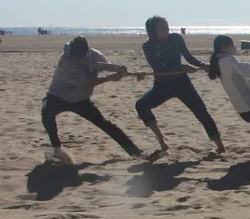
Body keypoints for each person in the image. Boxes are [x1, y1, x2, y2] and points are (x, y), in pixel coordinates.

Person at [42, 36, 149, 164]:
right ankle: (57, 149)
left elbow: (104, 66)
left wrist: (118, 68)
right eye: (77, 58)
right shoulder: (65, 61)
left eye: (83, 57)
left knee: (105, 124)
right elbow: (87, 83)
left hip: (81, 100)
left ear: (87, 52)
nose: (80, 60)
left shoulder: (94, 55)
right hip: (58, 97)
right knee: (46, 114)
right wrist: (110, 78)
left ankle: (136, 152)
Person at [136, 16, 225, 154]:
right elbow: (160, 69)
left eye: (167, 27)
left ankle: (220, 146)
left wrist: (202, 65)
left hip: (182, 83)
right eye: (162, 28)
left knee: (201, 112)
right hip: (162, 85)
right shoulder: (147, 46)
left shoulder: (176, 38)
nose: (166, 30)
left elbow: (188, 57)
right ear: (152, 31)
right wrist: (183, 67)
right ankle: (161, 138)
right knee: (141, 105)